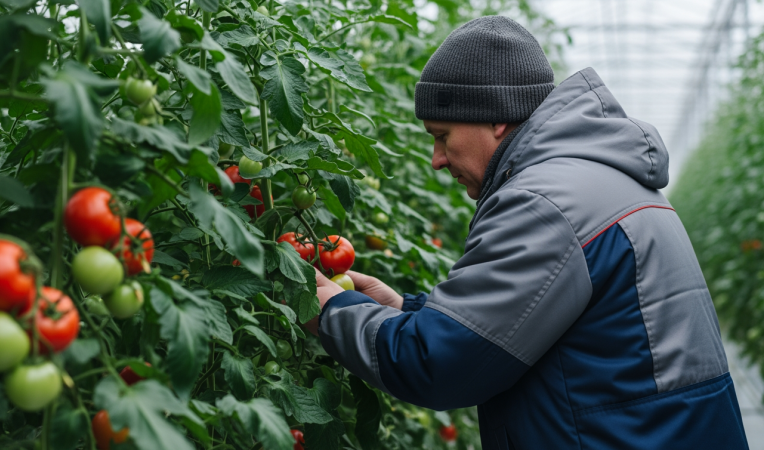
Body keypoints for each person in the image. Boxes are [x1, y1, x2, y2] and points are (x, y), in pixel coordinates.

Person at [308, 15, 750, 450]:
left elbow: (439, 366)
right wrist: (405, 309)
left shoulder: (546, 204)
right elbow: (537, 325)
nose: (436, 159)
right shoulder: (598, 181)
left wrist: (326, 306)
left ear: (496, 119)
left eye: (442, 136)